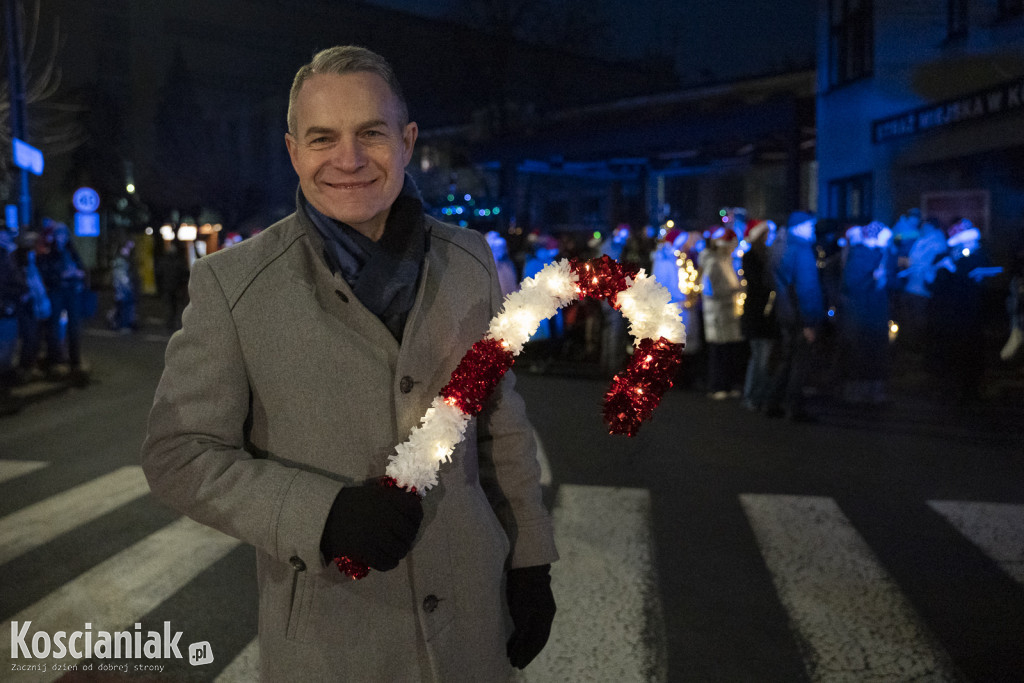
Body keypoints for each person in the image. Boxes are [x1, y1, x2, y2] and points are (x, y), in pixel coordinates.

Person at [141, 46, 557, 681]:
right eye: (322, 138)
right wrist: (323, 515)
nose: (349, 159)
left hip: (473, 623)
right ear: (292, 152)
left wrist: (530, 558)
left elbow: (500, 416)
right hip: (334, 639)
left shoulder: (470, 259)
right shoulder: (234, 285)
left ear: (407, 139)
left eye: (371, 133)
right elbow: (180, 453)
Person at [764, 211, 824, 421]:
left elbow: (773, 280)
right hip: (800, 315)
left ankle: (773, 402)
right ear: (800, 227)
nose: (813, 230)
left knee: (787, 358)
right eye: (810, 226)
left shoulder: (779, 247)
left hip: (785, 311)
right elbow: (806, 288)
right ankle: (794, 408)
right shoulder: (802, 250)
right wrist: (809, 322)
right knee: (800, 361)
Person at [837, 221, 897, 405]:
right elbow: (850, 283)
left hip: (875, 310)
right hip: (861, 312)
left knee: (875, 350)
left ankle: (874, 391)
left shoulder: (883, 253)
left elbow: (892, 280)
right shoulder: (859, 253)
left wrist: (886, 280)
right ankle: (856, 392)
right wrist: (874, 281)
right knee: (860, 351)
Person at [37, 220, 88, 379]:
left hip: (71, 291)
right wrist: (61, 275)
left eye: (64, 235)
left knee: (74, 326)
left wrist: (78, 274)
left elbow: (81, 267)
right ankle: (55, 359)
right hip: (57, 291)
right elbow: (45, 271)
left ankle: (74, 360)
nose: (61, 238)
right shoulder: (50, 252)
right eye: (59, 234)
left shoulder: (70, 250)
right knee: (53, 326)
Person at [700, 226, 745, 398]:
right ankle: (717, 385)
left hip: (727, 312)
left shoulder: (726, 260)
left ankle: (726, 384)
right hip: (718, 313)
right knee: (719, 351)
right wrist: (734, 291)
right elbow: (711, 290)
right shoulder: (714, 262)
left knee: (727, 351)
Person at [739, 220, 778, 410]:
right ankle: (752, 396)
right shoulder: (751, 257)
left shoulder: (766, 255)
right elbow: (757, 283)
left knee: (763, 357)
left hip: (765, 314)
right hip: (756, 313)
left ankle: (758, 395)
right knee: (759, 357)